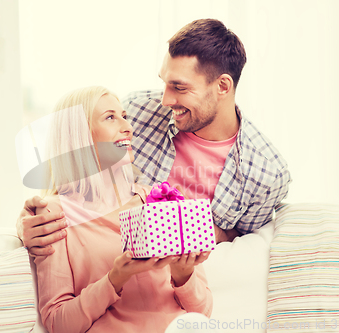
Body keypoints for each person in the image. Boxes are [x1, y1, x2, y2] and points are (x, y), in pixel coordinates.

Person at [17, 18, 291, 256]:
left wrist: (184, 230)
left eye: (179, 87)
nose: (166, 99)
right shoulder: (136, 112)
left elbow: (246, 247)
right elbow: (76, 178)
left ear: (222, 86)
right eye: (164, 82)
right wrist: (30, 223)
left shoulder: (267, 174)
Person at [33, 86, 213, 333]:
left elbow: (203, 312)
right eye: (110, 117)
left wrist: (183, 274)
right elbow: (58, 323)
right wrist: (114, 279)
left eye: (124, 116)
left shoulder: (158, 198)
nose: (127, 127)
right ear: (79, 137)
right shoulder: (54, 214)